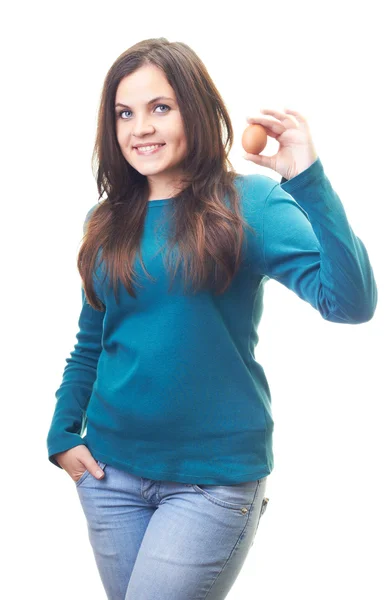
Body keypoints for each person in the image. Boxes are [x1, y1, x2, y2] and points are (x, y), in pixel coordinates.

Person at [46, 37, 377, 600]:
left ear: (194, 110)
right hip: (109, 476)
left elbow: (349, 302)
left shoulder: (249, 204)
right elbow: (92, 341)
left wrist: (309, 179)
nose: (140, 128)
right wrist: (62, 432)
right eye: (125, 113)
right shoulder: (105, 221)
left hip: (211, 482)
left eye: (160, 108)